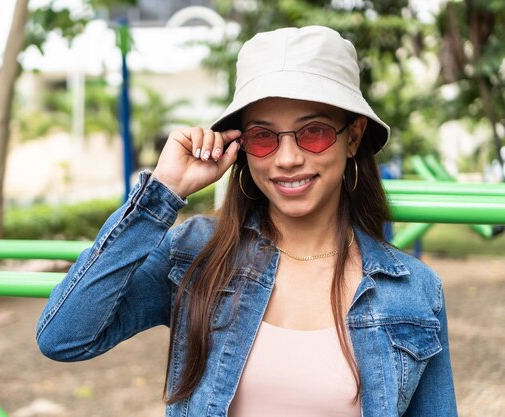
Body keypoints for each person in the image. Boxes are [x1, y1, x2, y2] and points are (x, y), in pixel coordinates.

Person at [36, 26, 457, 417]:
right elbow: (64, 336)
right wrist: (163, 192)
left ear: (354, 136)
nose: (287, 159)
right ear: (240, 144)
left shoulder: (415, 290)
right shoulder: (198, 255)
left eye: (313, 132)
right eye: (263, 136)